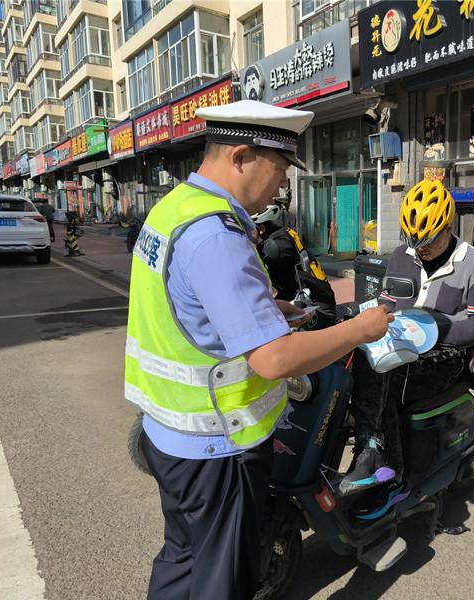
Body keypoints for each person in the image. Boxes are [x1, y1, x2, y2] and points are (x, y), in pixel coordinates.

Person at [124, 99, 392, 600]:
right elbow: (273, 359)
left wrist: (273, 311)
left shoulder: (175, 209)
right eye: (280, 169)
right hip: (218, 446)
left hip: (170, 433)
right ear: (242, 157)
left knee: (183, 561)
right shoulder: (216, 234)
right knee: (221, 582)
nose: (283, 185)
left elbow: (187, 305)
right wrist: (360, 329)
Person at [340, 178, 474, 518]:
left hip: (447, 355)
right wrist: (369, 317)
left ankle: (391, 473)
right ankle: (368, 447)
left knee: (385, 373)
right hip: (401, 344)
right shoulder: (402, 255)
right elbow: (388, 300)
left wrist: (434, 329)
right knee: (350, 358)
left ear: (449, 228)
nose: (418, 248)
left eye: (426, 240)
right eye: (412, 239)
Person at [251, 203, 337, 319]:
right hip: (295, 295)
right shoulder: (280, 234)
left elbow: (254, 275)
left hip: (316, 304)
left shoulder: (275, 246)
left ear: (261, 229)